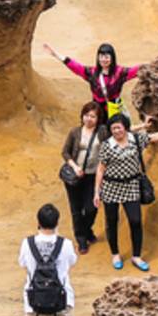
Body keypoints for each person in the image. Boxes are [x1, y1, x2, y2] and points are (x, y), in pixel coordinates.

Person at [95, 111, 158, 271]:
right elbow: (101, 170)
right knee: (111, 221)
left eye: (119, 128)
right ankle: (115, 254)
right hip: (111, 187)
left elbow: (157, 136)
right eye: (113, 129)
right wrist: (97, 192)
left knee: (136, 221)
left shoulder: (136, 139)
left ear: (126, 128)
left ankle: (136, 256)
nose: (116, 131)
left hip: (131, 185)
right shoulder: (107, 145)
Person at [43, 42, 140, 120]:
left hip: (114, 108)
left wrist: (153, 65)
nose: (103, 59)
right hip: (97, 109)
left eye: (106, 57)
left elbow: (136, 70)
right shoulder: (92, 73)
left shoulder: (119, 72)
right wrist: (55, 55)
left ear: (112, 58)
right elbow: (75, 66)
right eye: (101, 56)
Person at [59, 102, 104, 254]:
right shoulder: (75, 132)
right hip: (75, 177)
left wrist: (143, 126)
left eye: (93, 116)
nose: (89, 119)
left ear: (98, 119)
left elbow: (122, 131)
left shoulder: (102, 132)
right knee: (76, 210)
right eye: (86, 115)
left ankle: (86, 230)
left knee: (91, 208)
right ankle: (81, 239)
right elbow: (65, 153)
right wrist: (75, 166)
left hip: (93, 176)